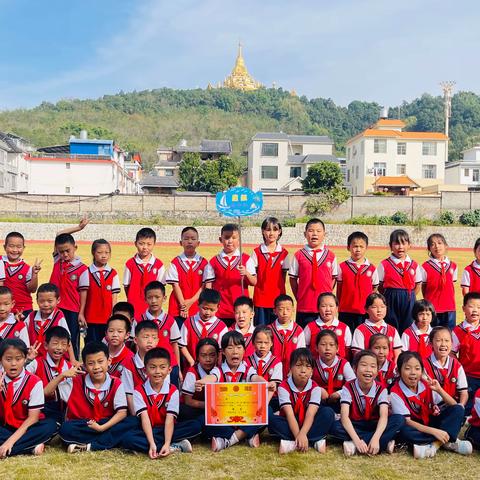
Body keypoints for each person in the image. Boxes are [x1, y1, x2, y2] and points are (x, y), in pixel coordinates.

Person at [121, 347, 202, 458]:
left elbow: (170, 419)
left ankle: (166, 446)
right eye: (153, 367)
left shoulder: (173, 390)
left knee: (195, 426)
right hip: (148, 430)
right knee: (127, 438)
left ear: (169, 370)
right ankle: (174, 447)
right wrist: (152, 443)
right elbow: (145, 419)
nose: (158, 372)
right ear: (145, 370)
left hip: (168, 428)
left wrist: (167, 442)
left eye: (162, 367)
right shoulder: (139, 391)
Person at [390, 351, 472, 459]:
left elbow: (454, 405)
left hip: (430, 422)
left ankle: (434, 445)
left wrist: (439, 390)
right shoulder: (395, 392)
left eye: (417, 368)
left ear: (422, 371)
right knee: (404, 433)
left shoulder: (426, 384)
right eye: (407, 368)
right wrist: (435, 432)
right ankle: (448, 441)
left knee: (459, 409)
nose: (413, 372)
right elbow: (408, 422)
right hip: (415, 427)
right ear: (399, 371)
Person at [58, 341, 131, 453]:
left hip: (107, 423)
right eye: (91, 363)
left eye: (100, 361)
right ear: (85, 366)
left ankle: (90, 446)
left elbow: (122, 413)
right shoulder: (75, 382)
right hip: (86, 425)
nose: (96, 367)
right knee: (65, 429)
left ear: (109, 361)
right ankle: (111, 441)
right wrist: (62, 375)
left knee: (133, 422)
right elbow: (47, 392)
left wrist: (102, 428)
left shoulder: (116, 383)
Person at [330, 350, 405, 456]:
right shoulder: (348, 387)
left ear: (378, 370)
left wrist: (375, 438)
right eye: (364, 365)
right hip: (356, 424)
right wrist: (357, 440)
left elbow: (383, 416)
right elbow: (345, 417)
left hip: (375, 424)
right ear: (355, 368)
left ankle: (356, 446)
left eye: (373, 366)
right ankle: (384, 443)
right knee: (335, 427)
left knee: (399, 420)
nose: (368, 370)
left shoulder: (381, 389)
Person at [206, 331, 266, 451]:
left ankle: (229, 440)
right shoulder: (218, 370)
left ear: (244, 350)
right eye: (230, 348)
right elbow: (212, 378)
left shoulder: (248, 369)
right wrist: (203, 381)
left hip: (245, 414)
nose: (235, 351)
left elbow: (255, 378)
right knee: (205, 420)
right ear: (222, 352)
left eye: (239, 347)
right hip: (225, 417)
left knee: (266, 412)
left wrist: (265, 383)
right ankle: (248, 434)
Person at [268, 348, 335, 454]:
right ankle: (314, 440)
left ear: (312, 371)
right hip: (289, 423)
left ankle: (292, 443)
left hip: (308, 423)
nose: (303, 370)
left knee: (328, 413)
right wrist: (298, 435)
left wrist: (303, 434)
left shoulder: (315, 388)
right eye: (298, 365)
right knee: (270, 419)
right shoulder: (283, 387)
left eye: (308, 366)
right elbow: (289, 414)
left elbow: (310, 414)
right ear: (290, 368)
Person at [0, 339, 57, 457]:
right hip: (5, 427)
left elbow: (33, 418)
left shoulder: (34, 381)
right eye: (8, 359)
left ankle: (9, 448)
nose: (13, 363)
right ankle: (29, 448)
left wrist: (9, 442)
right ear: (1, 360)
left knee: (50, 425)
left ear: (25, 359)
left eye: (18, 359)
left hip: (27, 427)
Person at [49, 220, 89, 359]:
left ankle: (72, 364)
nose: (65, 254)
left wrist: (81, 313)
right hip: (54, 307)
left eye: (68, 251)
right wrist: (78, 228)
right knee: (53, 338)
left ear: (75, 247)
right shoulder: (57, 261)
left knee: (71, 339)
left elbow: (84, 293)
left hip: (72, 310)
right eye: (61, 252)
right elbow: (59, 234)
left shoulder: (83, 269)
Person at [203, 223, 256, 327]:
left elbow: (254, 282)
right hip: (220, 309)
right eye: (227, 237)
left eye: (234, 237)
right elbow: (208, 287)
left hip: (240, 310)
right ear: (220, 239)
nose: (230, 241)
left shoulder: (246, 259)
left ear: (238, 240)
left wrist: (246, 273)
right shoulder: (214, 261)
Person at [289, 218, 337, 328]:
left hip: (325, 308)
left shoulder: (331, 256)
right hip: (305, 305)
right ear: (305, 234)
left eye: (318, 231)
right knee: (304, 340)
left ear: (324, 234)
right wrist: (300, 296)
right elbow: (292, 279)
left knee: (325, 339)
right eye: (311, 231)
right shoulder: (298, 255)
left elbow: (333, 278)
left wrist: (327, 294)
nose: (314, 234)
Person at [27, 326, 80, 424]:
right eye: (55, 343)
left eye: (63, 344)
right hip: (38, 409)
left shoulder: (69, 367)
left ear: (68, 347)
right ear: (46, 345)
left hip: (61, 410)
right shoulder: (36, 363)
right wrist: (28, 360)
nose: (59, 347)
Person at [132, 281, 181, 387]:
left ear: (164, 298)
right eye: (150, 297)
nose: (153, 301)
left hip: (169, 366)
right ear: (145, 299)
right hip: (148, 367)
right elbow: (136, 345)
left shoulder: (171, 320)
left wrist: (178, 368)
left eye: (157, 297)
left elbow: (175, 345)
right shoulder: (138, 320)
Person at [377, 229, 422, 334]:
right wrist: (389, 295)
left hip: (409, 298)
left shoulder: (414, 265)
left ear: (409, 245)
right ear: (390, 246)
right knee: (391, 326)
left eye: (403, 243)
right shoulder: (384, 264)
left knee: (408, 326)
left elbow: (418, 284)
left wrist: (409, 295)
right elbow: (379, 285)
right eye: (397, 243)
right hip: (390, 299)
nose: (400, 247)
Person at [78, 239, 120, 343]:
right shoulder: (86, 273)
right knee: (91, 345)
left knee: (107, 346)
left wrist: (113, 314)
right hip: (90, 318)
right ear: (93, 253)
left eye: (107, 252)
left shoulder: (113, 273)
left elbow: (114, 297)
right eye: (100, 252)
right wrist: (81, 313)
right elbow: (83, 295)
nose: (104, 255)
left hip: (107, 318)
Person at [165, 227, 207, 327]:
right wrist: (183, 305)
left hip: (197, 306)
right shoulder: (175, 262)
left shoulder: (204, 263)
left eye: (193, 239)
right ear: (181, 242)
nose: (189, 241)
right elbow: (175, 285)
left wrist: (191, 302)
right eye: (186, 239)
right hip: (177, 307)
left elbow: (204, 286)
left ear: (198, 243)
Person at [337, 232, 378, 333]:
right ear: (348, 247)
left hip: (365, 312)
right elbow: (339, 289)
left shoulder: (372, 268)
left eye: (361, 246)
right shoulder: (342, 267)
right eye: (355, 246)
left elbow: (374, 289)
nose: (358, 249)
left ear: (366, 248)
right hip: (346, 311)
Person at [250, 217, 289, 325]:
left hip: (278, 300)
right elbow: (253, 276)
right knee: (261, 331)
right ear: (262, 231)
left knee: (276, 330)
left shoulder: (284, 253)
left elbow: (283, 276)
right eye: (268, 229)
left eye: (275, 230)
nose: (271, 233)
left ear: (279, 232)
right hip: (260, 300)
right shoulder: (256, 252)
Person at [24, 283, 74, 361]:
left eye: (50, 301)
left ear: (58, 300)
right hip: (34, 359)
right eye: (42, 301)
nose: (46, 304)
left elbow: (68, 339)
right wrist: (18, 321)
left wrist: (73, 359)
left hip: (55, 359)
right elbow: (22, 332)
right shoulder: (31, 316)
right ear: (36, 301)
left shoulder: (59, 316)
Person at [123, 227, 165, 318]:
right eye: (141, 244)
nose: (145, 247)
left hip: (152, 307)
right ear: (135, 244)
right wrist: (132, 298)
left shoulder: (159, 265)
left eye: (149, 244)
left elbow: (161, 287)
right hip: (134, 307)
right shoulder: (130, 264)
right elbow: (126, 286)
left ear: (154, 244)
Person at [179, 289, 227, 367]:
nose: (207, 313)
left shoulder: (222, 327)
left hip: (213, 369)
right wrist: (191, 361)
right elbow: (181, 345)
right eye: (205, 308)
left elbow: (221, 350)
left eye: (212, 310)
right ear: (198, 304)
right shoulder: (188, 323)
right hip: (191, 367)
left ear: (218, 307)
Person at [122, 320, 159, 414]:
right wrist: (136, 416)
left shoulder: (162, 362)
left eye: (154, 337)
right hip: (137, 410)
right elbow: (129, 394)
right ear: (135, 340)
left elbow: (164, 391)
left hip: (158, 410)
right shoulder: (128, 364)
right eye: (146, 337)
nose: (150, 341)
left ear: (158, 340)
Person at [0, 231, 41, 316]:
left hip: (24, 309)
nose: (15, 250)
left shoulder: (27, 268)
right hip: (4, 308)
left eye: (19, 247)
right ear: (5, 247)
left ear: (23, 248)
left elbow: (32, 290)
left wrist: (34, 274)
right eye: (11, 246)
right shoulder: (1, 261)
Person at [351, 293, 402, 363]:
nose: (379, 310)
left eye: (382, 307)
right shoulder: (360, 330)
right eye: (374, 307)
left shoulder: (393, 330)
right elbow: (358, 354)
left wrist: (393, 368)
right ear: (366, 309)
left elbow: (397, 354)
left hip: (390, 371)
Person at [424, 326, 468, 406]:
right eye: (438, 340)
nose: (443, 344)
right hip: (430, 409)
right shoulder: (424, 365)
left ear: (451, 343)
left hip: (452, 408)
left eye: (447, 340)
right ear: (431, 343)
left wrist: (461, 406)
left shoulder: (456, 365)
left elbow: (464, 392)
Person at [312, 330, 355, 411]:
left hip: (339, 401)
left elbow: (353, 384)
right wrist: (318, 390)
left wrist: (339, 393)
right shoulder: (312, 363)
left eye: (331, 345)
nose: (327, 348)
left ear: (337, 348)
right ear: (316, 348)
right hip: (318, 401)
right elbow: (304, 383)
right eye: (323, 344)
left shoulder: (344, 364)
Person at [452, 292, 480, 414]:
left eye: (479, 307)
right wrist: (460, 370)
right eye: (471, 306)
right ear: (463, 308)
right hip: (468, 376)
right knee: (468, 406)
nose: (475, 310)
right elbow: (452, 353)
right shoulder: (458, 331)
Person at [180, 338, 221, 420]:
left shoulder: (220, 370)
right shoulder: (192, 372)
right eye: (203, 355)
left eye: (212, 355)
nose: (208, 359)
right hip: (197, 408)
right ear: (197, 357)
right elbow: (188, 401)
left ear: (217, 356)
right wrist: (209, 405)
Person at [421, 234, 457, 329]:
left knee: (449, 335)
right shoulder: (425, 267)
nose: (437, 246)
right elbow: (424, 288)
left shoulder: (453, 266)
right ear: (429, 249)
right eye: (432, 244)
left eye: (440, 243)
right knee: (433, 335)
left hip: (450, 308)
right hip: (432, 308)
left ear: (446, 246)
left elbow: (451, 286)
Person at [304, 292, 351, 360]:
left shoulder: (344, 328)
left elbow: (348, 352)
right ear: (318, 308)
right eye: (323, 306)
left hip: (339, 368)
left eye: (331, 306)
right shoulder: (310, 327)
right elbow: (305, 350)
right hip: (316, 368)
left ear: (337, 308)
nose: (328, 309)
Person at [269, 294, 305, 379]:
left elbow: (301, 353)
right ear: (275, 311)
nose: (285, 313)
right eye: (281, 309)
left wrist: (294, 369)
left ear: (293, 310)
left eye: (288, 309)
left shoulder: (298, 331)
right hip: (272, 371)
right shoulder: (269, 330)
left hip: (292, 372)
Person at [245, 325, 283, 405]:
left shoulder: (276, 362)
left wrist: (263, 406)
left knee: (270, 415)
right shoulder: (246, 361)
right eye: (259, 342)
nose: (263, 346)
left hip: (270, 400)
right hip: (249, 399)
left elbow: (272, 388)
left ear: (271, 343)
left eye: (266, 343)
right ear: (253, 343)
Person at [105, 314, 133, 379]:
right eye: (111, 331)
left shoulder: (131, 358)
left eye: (120, 331)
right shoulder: (99, 353)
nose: (115, 335)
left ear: (127, 335)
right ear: (106, 333)